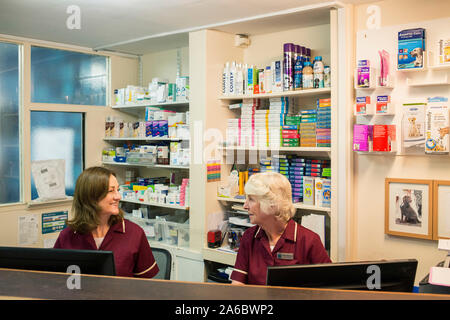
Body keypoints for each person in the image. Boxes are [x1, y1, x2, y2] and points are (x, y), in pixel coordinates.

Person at [54, 166, 159, 278]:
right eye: (111, 191)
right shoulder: (67, 236)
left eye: (117, 190)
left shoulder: (134, 233)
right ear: (91, 196)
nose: (118, 196)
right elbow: (54, 280)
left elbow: (146, 285)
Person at [230, 171, 331, 285]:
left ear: (271, 203)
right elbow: (237, 285)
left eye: (251, 199)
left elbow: (329, 288)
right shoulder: (249, 237)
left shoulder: (309, 241)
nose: (245, 206)